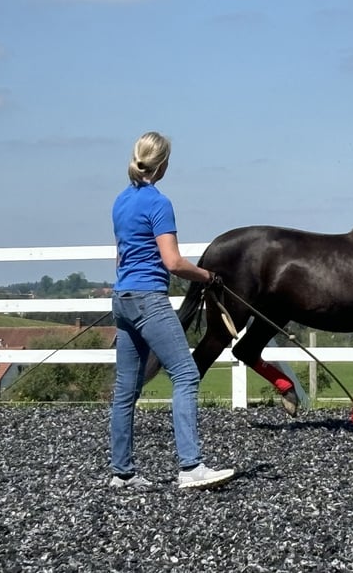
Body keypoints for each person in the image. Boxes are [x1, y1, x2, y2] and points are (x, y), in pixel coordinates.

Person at [109, 131, 234, 490]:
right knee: (186, 374)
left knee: (126, 389)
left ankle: (123, 472)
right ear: (162, 164)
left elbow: (123, 254)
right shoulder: (159, 203)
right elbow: (174, 261)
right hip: (149, 298)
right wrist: (208, 276)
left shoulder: (120, 201)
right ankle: (190, 467)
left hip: (123, 298)